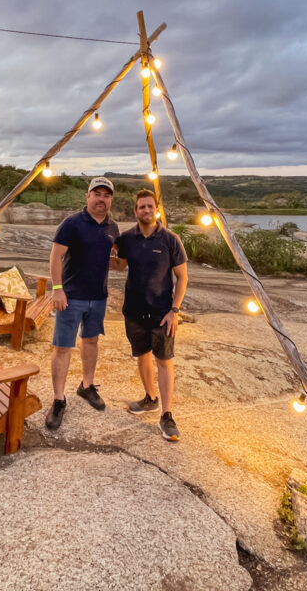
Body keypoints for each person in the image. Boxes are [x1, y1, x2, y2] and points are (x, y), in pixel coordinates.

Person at [112, 189, 188, 441]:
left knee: (164, 361)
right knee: (142, 355)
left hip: (161, 312)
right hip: (134, 311)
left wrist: (174, 310)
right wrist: (95, 251)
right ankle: (150, 398)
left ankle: (167, 415)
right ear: (135, 211)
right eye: (141, 207)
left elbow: (182, 277)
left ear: (156, 209)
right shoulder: (127, 238)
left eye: (149, 206)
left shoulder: (170, 239)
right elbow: (121, 265)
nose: (146, 210)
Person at [45, 176, 121, 430]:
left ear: (111, 199)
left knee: (91, 341)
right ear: (87, 196)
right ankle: (58, 399)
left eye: (106, 195)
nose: (101, 198)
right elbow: (56, 257)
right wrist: (57, 289)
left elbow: (115, 260)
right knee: (63, 347)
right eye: (96, 193)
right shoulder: (72, 224)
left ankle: (87, 386)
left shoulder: (113, 228)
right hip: (71, 297)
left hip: (98, 297)